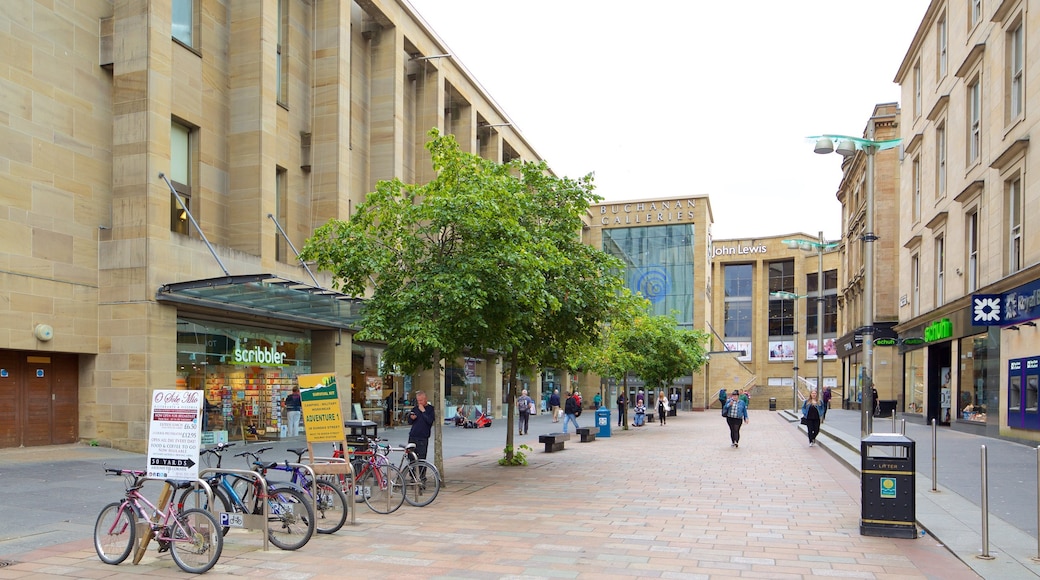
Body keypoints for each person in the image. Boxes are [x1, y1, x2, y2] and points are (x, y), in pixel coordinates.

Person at [407, 391, 436, 474]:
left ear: (426, 399)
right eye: (418, 400)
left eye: (421, 400)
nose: (419, 402)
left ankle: (422, 477)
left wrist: (423, 411)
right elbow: (410, 422)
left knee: (421, 458)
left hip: (423, 437)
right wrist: (411, 418)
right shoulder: (415, 409)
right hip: (413, 436)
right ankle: (413, 476)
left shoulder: (430, 409)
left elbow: (430, 421)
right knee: (411, 457)